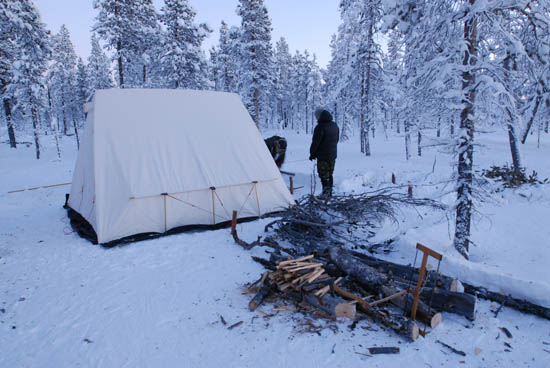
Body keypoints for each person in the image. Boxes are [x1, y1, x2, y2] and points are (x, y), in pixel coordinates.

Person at [309, 108, 339, 198]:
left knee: (323, 175)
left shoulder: (320, 127)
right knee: (329, 174)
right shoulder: (334, 125)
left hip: (323, 157)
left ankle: (325, 194)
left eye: (316, 116)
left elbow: (315, 143)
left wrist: (312, 154)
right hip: (332, 155)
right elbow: (337, 140)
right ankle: (329, 193)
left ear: (320, 116)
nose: (316, 118)